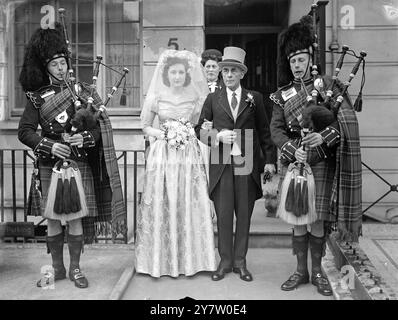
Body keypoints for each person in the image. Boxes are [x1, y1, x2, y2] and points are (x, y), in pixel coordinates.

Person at [18, 24, 126, 289]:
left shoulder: (83, 91)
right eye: (54, 64)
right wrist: (49, 146)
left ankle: (76, 268)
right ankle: (56, 269)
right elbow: (25, 131)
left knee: (76, 217)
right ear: (45, 68)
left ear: (68, 63)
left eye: (63, 62)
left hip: (78, 163)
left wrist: (84, 138)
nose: (60, 68)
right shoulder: (36, 98)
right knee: (53, 220)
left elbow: (100, 129)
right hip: (49, 164)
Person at [269, 16, 362, 296]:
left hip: (321, 162)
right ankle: (301, 271)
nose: (297, 66)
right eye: (292, 61)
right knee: (298, 219)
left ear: (310, 57)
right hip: (295, 162)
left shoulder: (328, 87)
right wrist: (290, 148)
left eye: (301, 59)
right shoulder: (280, 95)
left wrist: (323, 136)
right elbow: (275, 130)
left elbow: (342, 122)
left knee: (317, 219)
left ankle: (319, 271)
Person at [196, 47, 276, 282]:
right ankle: (225, 261)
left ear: (242, 74)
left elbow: (264, 131)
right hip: (221, 162)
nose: (229, 75)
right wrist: (217, 137)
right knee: (223, 214)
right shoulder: (213, 98)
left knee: (243, 214)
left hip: (245, 161)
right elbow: (199, 130)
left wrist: (270, 161)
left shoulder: (255, 98)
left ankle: (240, 262)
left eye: (233, 71)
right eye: (225, 71)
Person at [135, 49, 217, 278]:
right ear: (167, 74)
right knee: (165, 200)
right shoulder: (156, 98)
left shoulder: (195, 98)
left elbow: (201, 124)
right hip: (163, 155)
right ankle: (161, 260)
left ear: (186, 75)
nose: (178, 76)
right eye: (173, 72)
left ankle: (191, 259)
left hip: (188, 154)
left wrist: (188, 132)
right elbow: (145, 127)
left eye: (181, 72)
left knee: (187, 199)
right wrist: (164, 134)